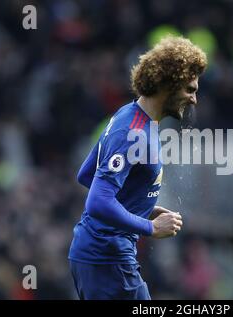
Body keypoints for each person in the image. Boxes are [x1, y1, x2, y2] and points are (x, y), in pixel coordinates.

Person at [68, 36, 207, 300]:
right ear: (169, 83)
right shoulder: (134, 132)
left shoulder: (130, 115)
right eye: (190, 89)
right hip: (107, 259)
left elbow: (86, 174)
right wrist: (150, 227)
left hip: (100, 258)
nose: (194, 99)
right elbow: (97, 201)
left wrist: (142, 206)